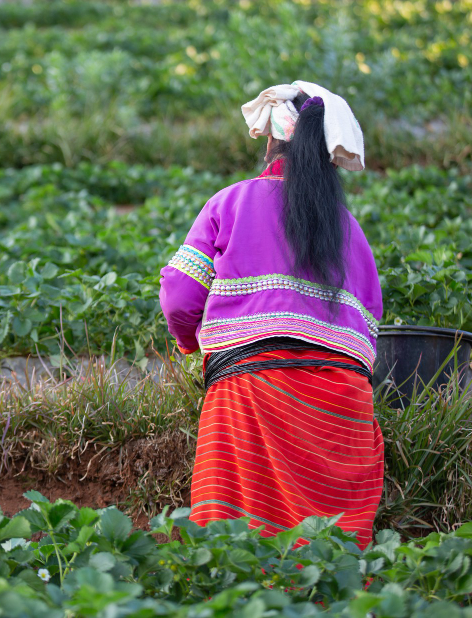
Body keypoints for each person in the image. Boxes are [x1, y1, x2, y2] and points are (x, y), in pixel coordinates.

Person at [159, 80, 384, 548]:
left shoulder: (232, 202)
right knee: (330, 561)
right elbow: (370, 331)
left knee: (237, 551)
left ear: (271, 142)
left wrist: (189, 342)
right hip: (343, 410)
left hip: (253, 393)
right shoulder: (351, 229)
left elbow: (179, 295)